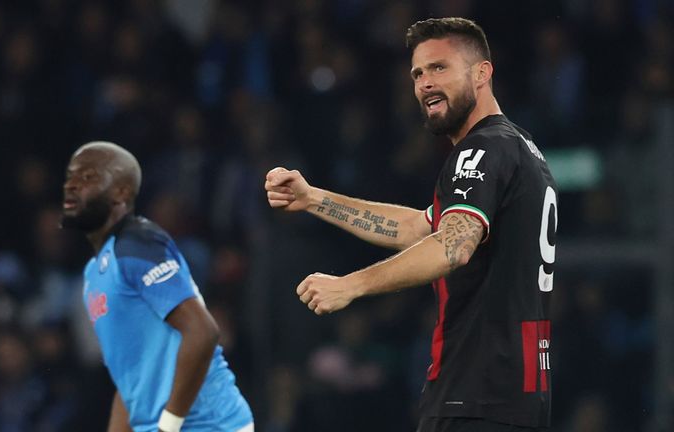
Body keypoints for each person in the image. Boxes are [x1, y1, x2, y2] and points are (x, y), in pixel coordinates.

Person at [265, 17, 556, 432]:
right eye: (418, 73)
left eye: (440, 67)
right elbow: (420, 229)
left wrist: (351, 285)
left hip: (476, 395)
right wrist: (315, 199)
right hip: (514, 395)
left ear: (482, 73)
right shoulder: (519, 149)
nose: (424, 83)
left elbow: (452, 247)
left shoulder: (481, 151)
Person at [61, 141, 253, 432]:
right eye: (70, 176)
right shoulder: (94, 274)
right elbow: (131, 380)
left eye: (87, 177)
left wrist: (168, 427)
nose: (72, 185)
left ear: (121, 192)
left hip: (208, 425)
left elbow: (203, 332)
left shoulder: (138, 242)